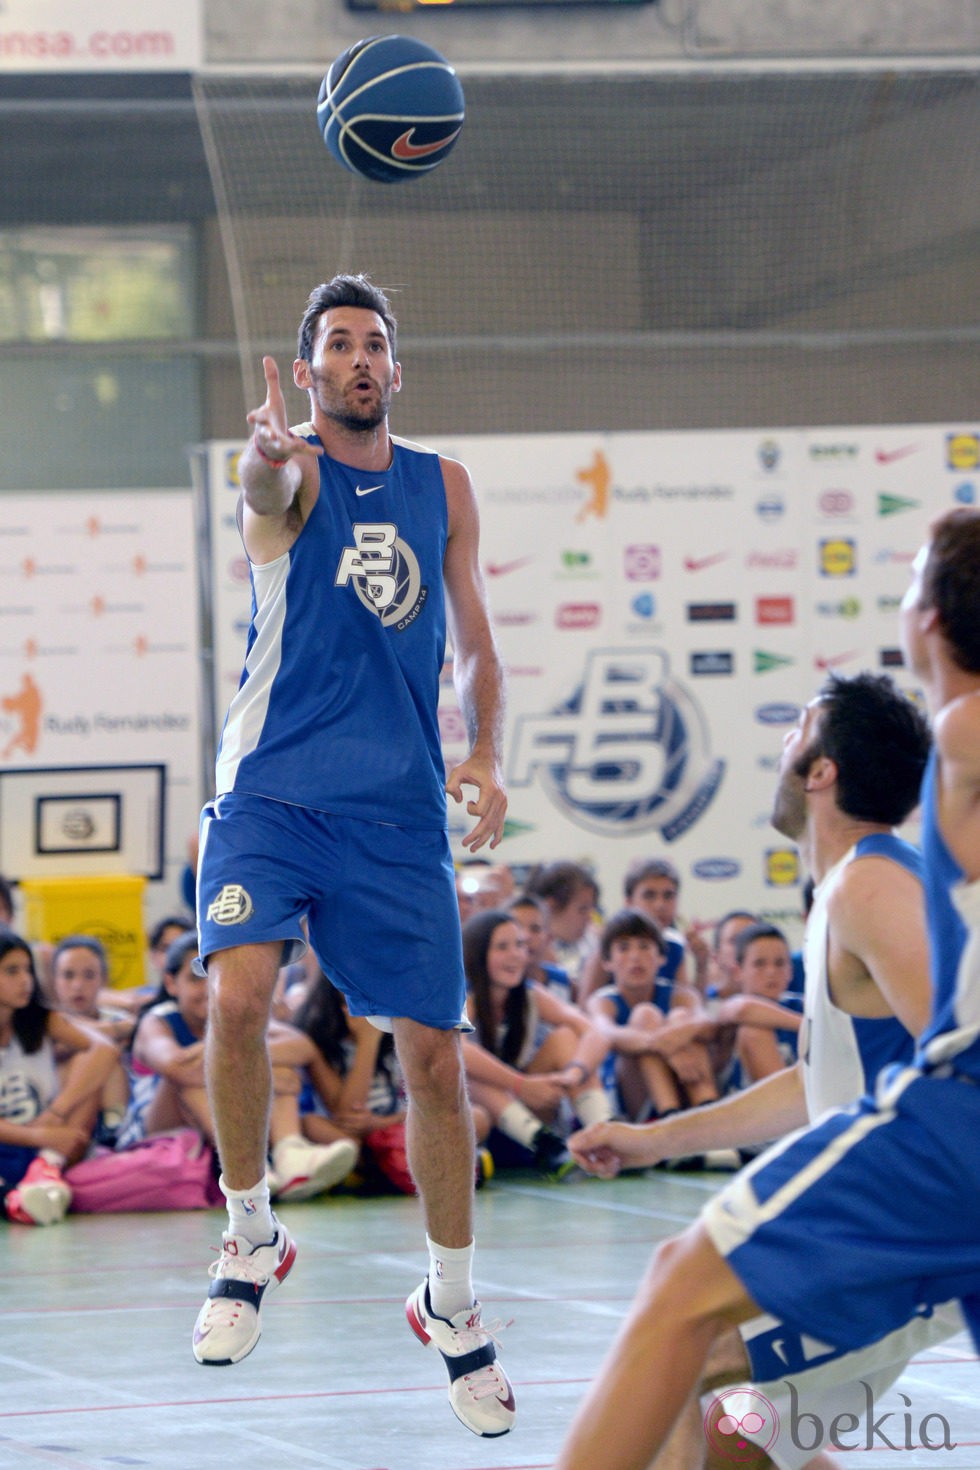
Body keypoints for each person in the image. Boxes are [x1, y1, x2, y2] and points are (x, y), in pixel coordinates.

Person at [557, 521, 980, 1470]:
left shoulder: (878, 880)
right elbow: (815, 1085)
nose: (783, 742)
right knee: (732, 1431)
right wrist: (654, 1137)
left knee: (691, 1340)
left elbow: (950, 1049)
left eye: (796, 729)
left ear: (819, 770)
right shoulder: (845, 895)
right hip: (894, 1212)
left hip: (901, 1232)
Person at [192, 273, 514, 1436]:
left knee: (433, 1062)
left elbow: (474, 641)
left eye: (374, 343)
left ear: (396, 368)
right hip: (272, 789)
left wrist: (482, 751)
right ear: (309, 369)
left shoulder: (444, 487)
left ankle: (453, 1306)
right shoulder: (291, 475)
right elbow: (261, 485)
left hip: (395, 810)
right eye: (337, 344)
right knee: (235, 999)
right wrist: (268, 459)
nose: (359, 358)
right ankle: (250, 1235)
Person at [460, 909, 610, 1176]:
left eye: (519, 945)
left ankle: (606, 1138)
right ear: (477, 954)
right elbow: (457, 1049)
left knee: (566, 1038)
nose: (515, 954)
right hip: (487, 1125)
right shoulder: (464, 997)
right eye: (502, 947)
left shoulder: (531, 994)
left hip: (532, 1110)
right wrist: (521, 1085)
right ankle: (546, 1146)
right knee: (465, 1070)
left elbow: (596, 1032)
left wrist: (575, 1072)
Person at [0, 926, 118, 1226]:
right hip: (19, 1140)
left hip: (52, 1144)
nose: (26, 980)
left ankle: (45, 1171)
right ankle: (14, 1198)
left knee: (91, 1070)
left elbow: (104, 1051)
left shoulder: (41, 1018)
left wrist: (56, 1113)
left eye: (28, 969)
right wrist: (37, 1133)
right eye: (12, 971)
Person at [49, 934, 133, 1145]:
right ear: (54, 981)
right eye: (68, 975)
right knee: (98, 1054)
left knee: (108, 1059)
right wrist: (117, 1030)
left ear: (103, 980)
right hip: (58, 1116)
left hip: (114, 1110)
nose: (78, 985)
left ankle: (112, 1134)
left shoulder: (120, 1019)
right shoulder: (43, 1023)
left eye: (89, 975)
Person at [525, 861, 600, 996]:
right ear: (549, 907)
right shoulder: (530, 950)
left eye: (591, 908)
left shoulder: (592, 940)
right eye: (583, 909)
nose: (589, 918)